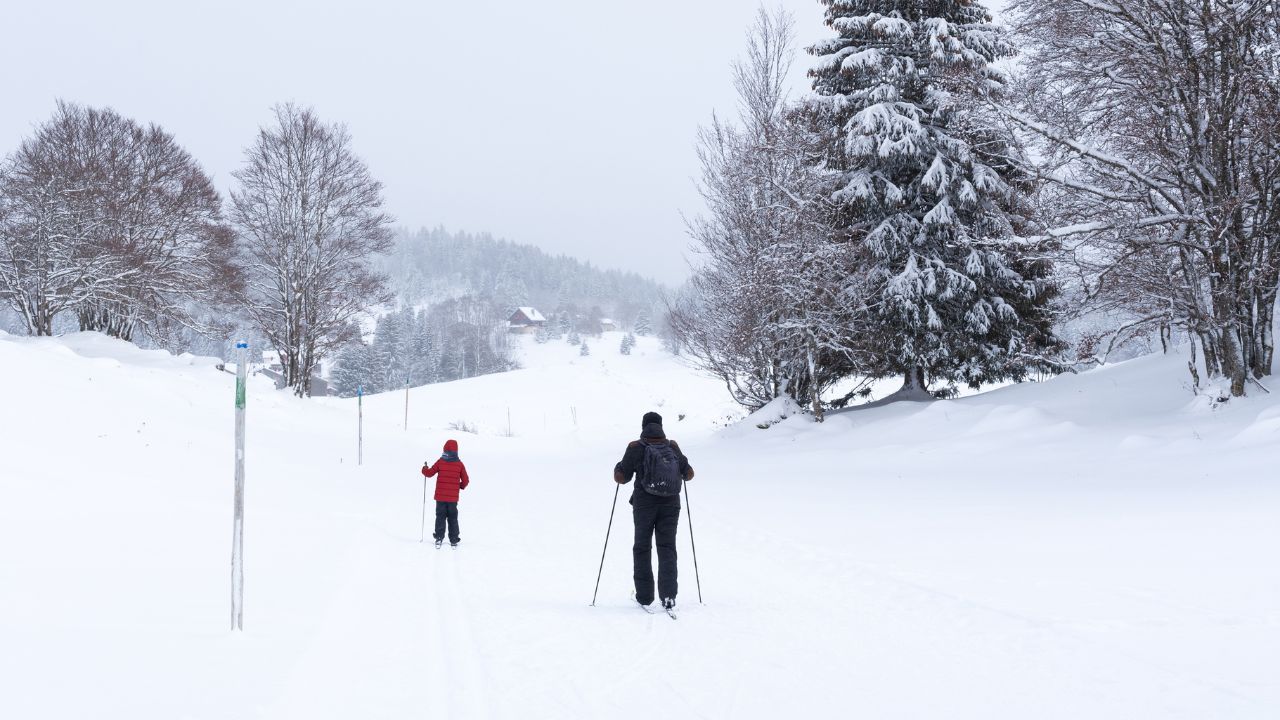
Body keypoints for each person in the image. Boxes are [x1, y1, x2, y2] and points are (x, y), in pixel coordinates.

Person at [613, 411, 694, 610]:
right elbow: (689, 474)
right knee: (667, 548)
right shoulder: (672, 447)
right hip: (671, 504)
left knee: (642, 547)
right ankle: (668, 596)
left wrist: (617, 468)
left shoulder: (635, 447)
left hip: (644, 505)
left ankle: (644, 597)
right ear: (661, 426)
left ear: (643, 426)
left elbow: (622, 478)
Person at [423, 439, 470, 548]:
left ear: (444, 449)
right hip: (453, 499)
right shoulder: (459, 464)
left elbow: (429, 473)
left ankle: (439, 538)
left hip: (440, 497)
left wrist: (424, 468)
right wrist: (459, 486)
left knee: (440, 516)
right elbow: (466, 480)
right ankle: (453, 539)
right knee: (453, 517)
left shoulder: (441, 461)